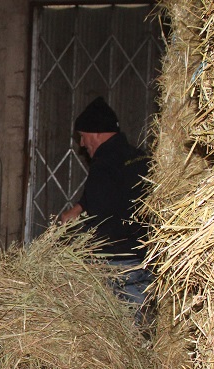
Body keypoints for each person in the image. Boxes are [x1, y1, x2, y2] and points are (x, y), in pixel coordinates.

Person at [59, 96, 152, 314]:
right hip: (144, 256)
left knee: (122, 323)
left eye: (83, 136)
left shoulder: (103, 163)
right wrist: (78, 208)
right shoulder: (138, 157)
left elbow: (100, 211)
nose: (82, 144)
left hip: (118, 262)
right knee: (140, 318)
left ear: (97, 133)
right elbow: (117, 191)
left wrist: (79, 246)